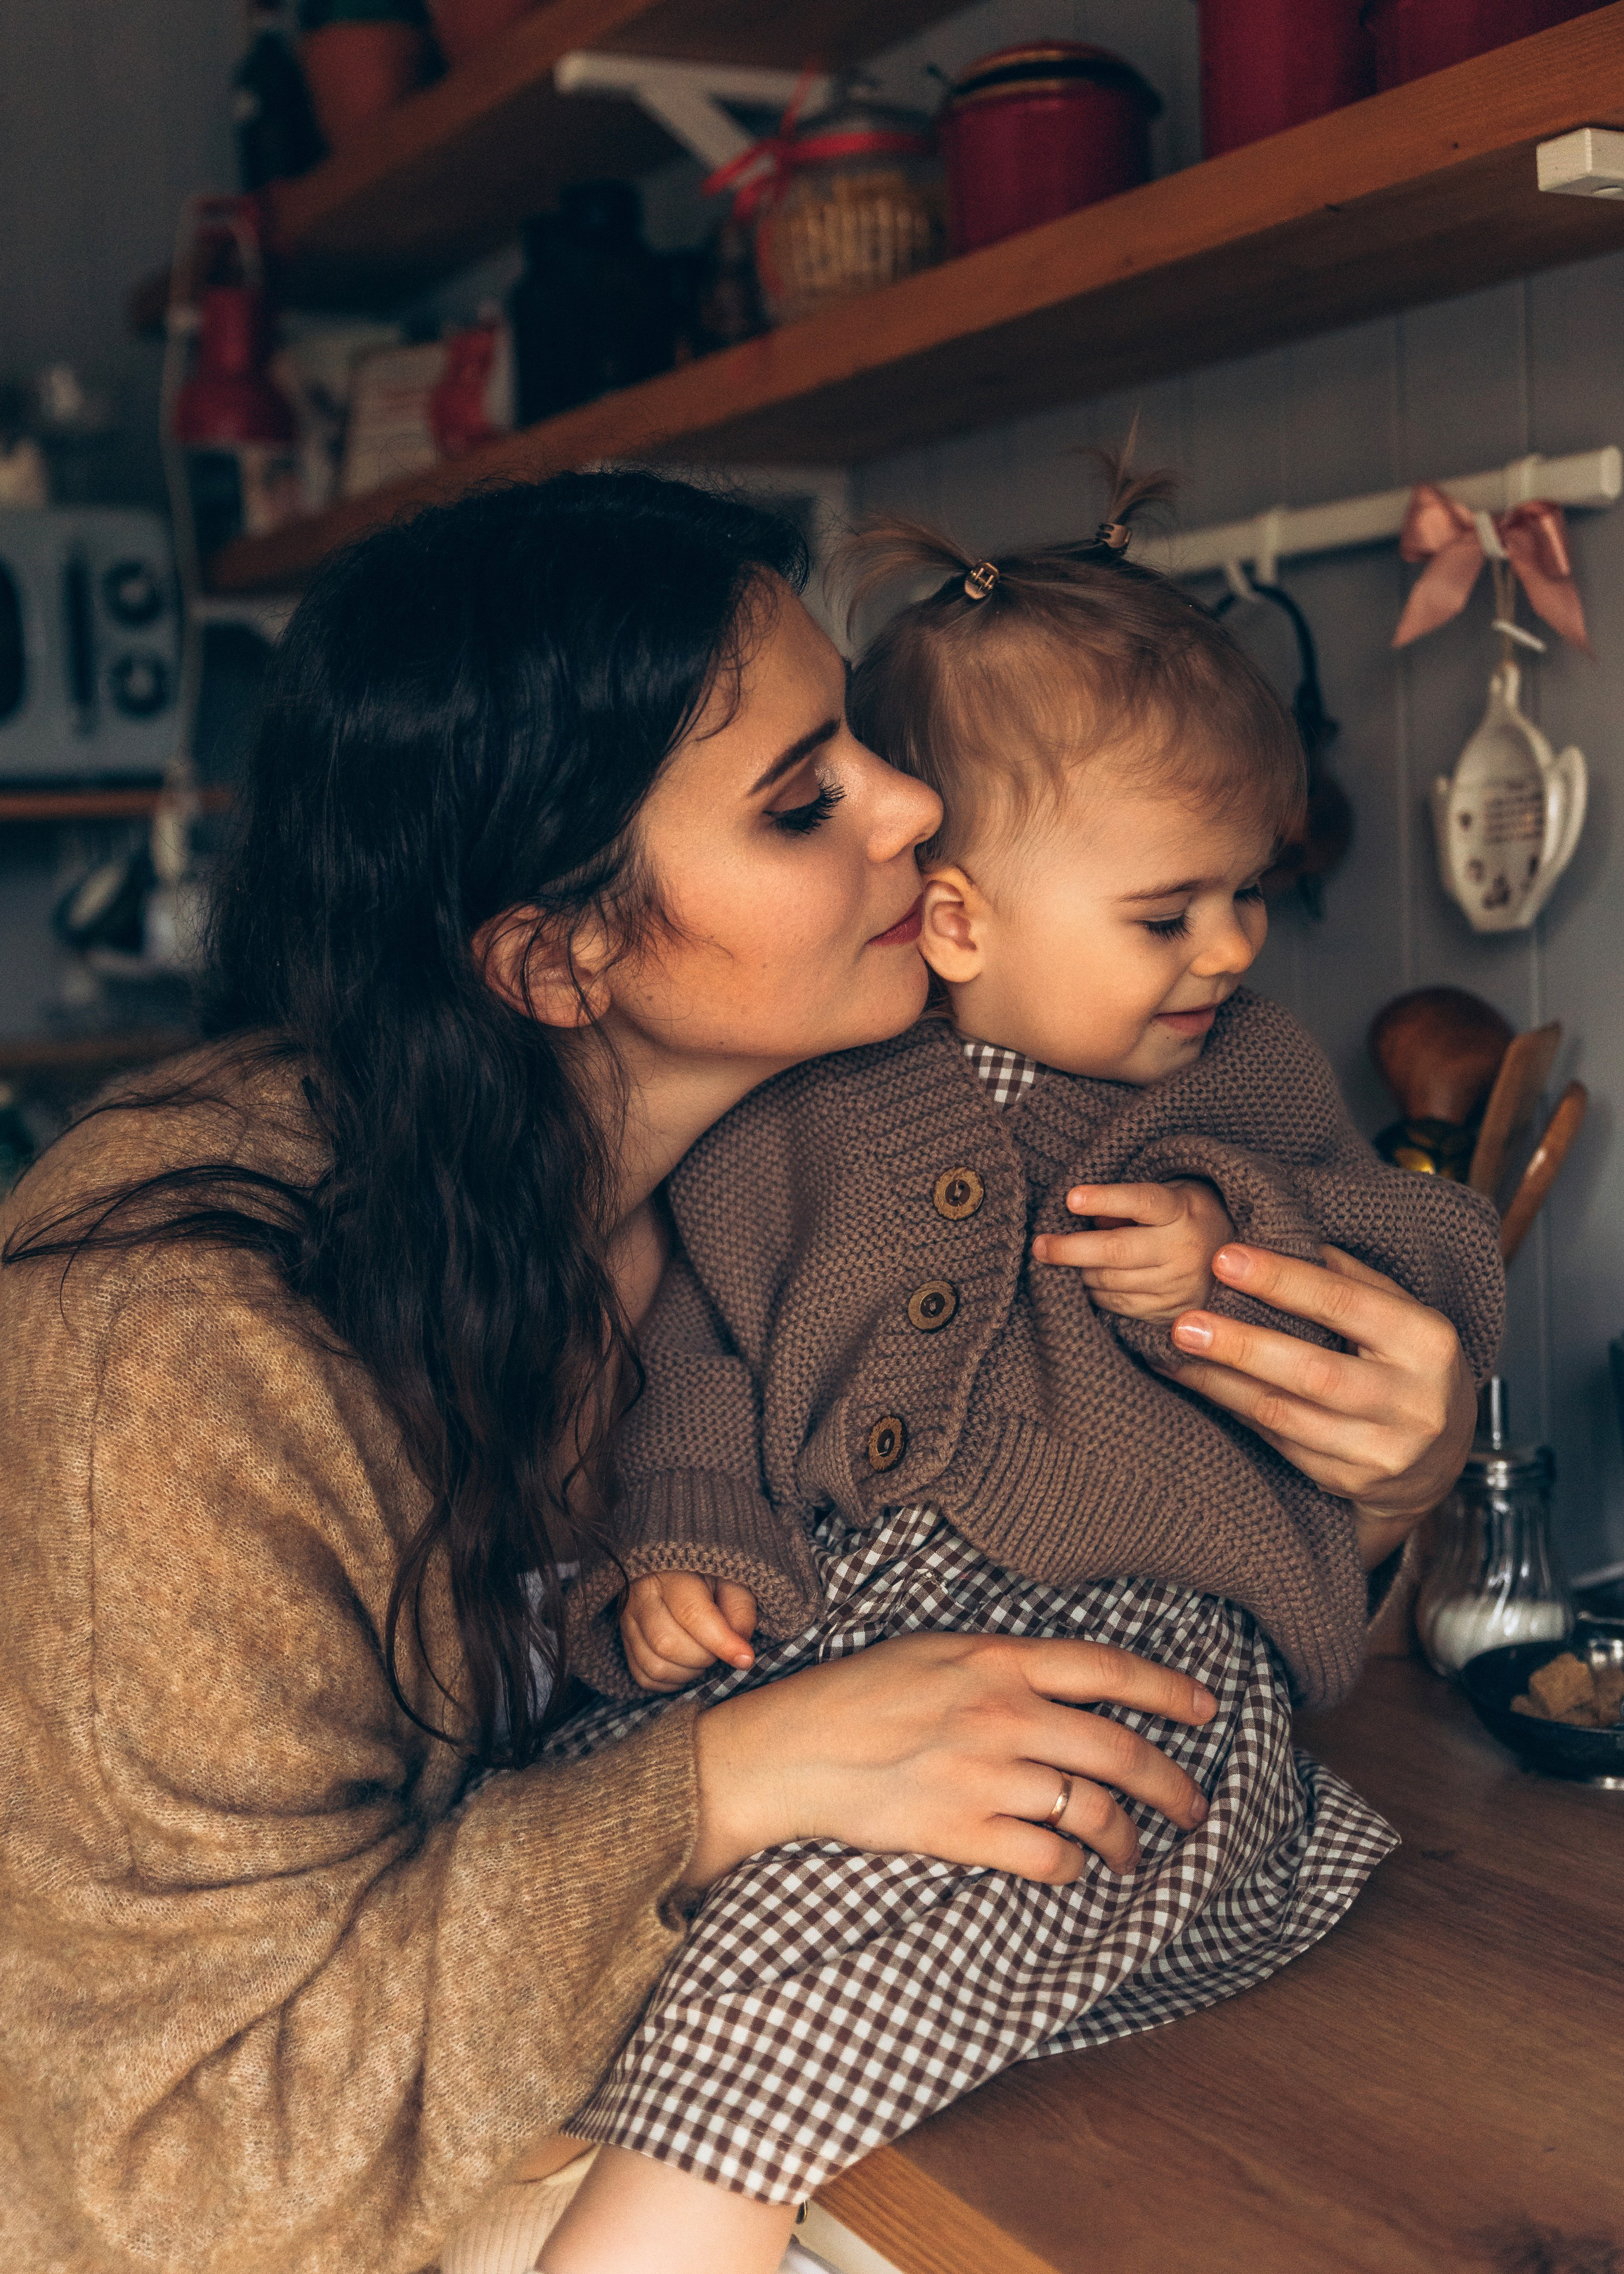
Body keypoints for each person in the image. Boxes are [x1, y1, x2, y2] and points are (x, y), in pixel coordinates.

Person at [0, 471, 1477, 2274]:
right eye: (805, 803)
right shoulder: (171, 1366)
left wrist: (1387, 1475)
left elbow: (1123, 1533)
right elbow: (171, 2163)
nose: (921, 806)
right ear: (558, 960)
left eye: (861, 737)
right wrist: (723, 1777)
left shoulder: (832, 1132)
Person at [532, 473, 1505, 2274]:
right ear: (960, 918)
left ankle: (677, 2215)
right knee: (662, 1875)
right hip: (838, 1640)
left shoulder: (1239, 1090)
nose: (1230, 950)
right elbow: (705, 1366)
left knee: (915, 1892)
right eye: (1169, 912)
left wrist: (1236, 1236)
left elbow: (1439, 1262)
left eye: (1247, 899)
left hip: (1142, 1653)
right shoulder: (786, 1130)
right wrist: (685, 1545)